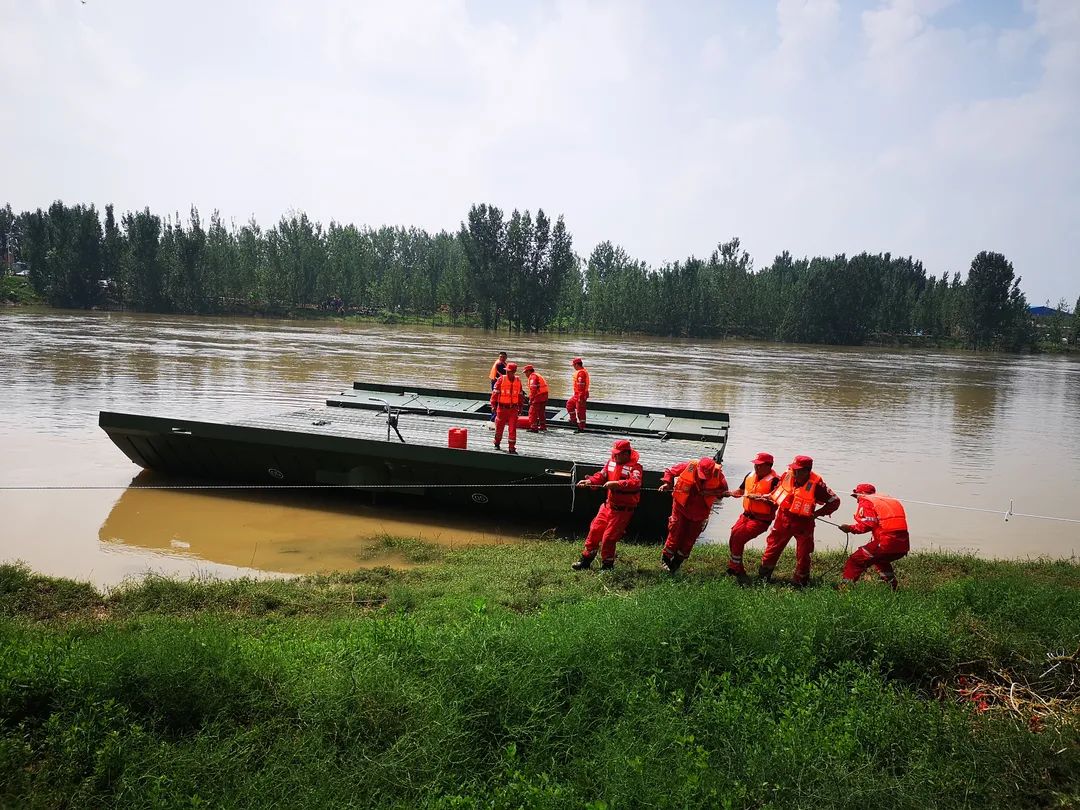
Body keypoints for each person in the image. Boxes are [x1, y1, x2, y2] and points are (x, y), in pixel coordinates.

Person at [756, 455, 841, 587]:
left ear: (807, 471)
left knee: (803, 553)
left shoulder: (817, 485)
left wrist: (817, 513)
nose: (795, 473)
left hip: (804, 522)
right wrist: (768, 497)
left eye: (799, 470)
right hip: (783, 518)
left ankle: (800, 582)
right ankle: (763, 577)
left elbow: (835, 502)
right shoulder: (787, 476)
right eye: (794, 469)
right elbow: (777, 490)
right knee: (772, 547)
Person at [570, 439, 644, 571]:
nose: (615, 456)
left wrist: (617, 484)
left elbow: (635, 482)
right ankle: (585, 561)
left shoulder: (635, 468)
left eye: (618, 454)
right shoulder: (610, 463)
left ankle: (607, 566)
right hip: (607, 506)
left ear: (627, 454)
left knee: (609, 538)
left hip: (622, 511)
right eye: (614, 453)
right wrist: (590, 481)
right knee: (594, 531)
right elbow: (601, 475)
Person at [658, 456, 729, 573]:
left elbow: (724, 491)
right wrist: (668, 483)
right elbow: (669, 471)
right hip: (681, 506)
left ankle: (677, 563)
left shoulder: (718, 474)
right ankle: (666, 559)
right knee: (675, 532)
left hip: (700, 512)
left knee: (690, 538)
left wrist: (710, 492)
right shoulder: (689, 466)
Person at [838, 483, 910, 590]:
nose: (857, 500)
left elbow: (867, 525)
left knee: (855, 560)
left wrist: (849, 528)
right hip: (903, 545)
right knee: (880, 560)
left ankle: (845, 589)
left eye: (856, 496)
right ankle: (892, 587)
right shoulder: (886, 501)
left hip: (885, 543)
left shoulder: (866, 500)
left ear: (861, 493)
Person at [726, 452, 780, 580]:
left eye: (760, 465)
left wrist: (761, 498)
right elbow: (740, 491)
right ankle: (737, 568)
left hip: (761, 519)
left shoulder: (776, 481)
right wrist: (729, 493)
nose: (756, 468)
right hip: (745, 515)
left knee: (738, 538)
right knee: (733, 536)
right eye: (755, 465)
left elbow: (776, 501)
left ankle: (736, 569)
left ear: (769, 466)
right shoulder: (749, 476)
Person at [489, 362, 523, 454]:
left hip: (513, 409)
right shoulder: (501, 380)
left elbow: (520, 395)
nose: (507, 373)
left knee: (512, 429)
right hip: (502, 408)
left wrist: (520, 406)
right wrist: (493, 405)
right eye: (507, 371)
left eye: (510, 371)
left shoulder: (518, 381)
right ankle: (497, 442)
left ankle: (512, 448)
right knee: (499, 427)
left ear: (514, 372)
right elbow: (494, 394)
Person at [523, 364, 549, 432]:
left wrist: (531, 399)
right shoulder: (537, 375)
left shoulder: (533, 377)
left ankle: (533, 427)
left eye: (526, 372)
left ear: (529, 371)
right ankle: (543, 426)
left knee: (532, 412)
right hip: (544, 396)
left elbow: (533, 390)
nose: (525, 374)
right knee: (541, 412)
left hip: (538, 397)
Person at [567, 357, 590, 432]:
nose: (573, 367)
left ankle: (581, 427)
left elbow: (581, 385)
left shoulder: (581, 373)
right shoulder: (582, 372)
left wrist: (580, 396)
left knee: (580, 411)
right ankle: (573, 420)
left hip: (581, 394)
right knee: (569, 404)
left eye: (574, 365)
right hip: (577, 394)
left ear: (577, 364)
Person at [488, 352, 508, 422]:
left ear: (506, 358)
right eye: (501, 357)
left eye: (503, 357)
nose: (502, 358)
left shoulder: (502, 363)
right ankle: (494, 418)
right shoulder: (500, 364)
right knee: (497, 401)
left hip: (497, 383)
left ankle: (495, 418)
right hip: (496, 384)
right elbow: (505, 376)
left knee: (496, 401)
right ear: (499, 357)